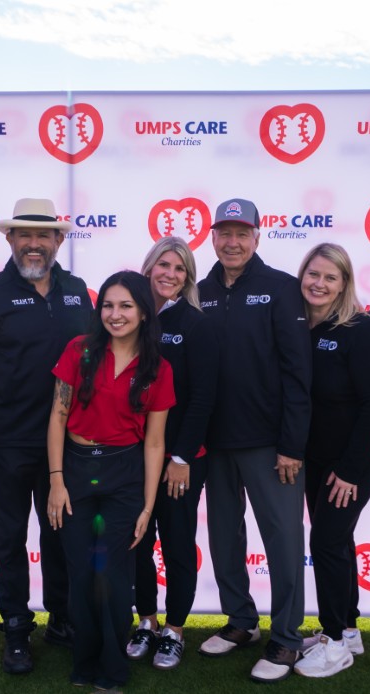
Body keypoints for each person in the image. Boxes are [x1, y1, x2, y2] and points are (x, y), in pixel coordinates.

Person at [0, 197, 92, 674]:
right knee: (11, 537)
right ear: (10, 239)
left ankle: (62, 618)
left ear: (58, 240)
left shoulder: (77, 291)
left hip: (67, 445)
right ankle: (15, 626)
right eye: (25, 235)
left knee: (62, 534)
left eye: (44, 235)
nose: (35, 244)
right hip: (8, 443)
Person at [196, 198, 312, 683]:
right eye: (224, 233)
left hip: (270, 444)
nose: (232, 242)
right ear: (212, 238)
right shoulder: (198, 290)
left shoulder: (281, 288)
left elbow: (298, 372)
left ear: (257, 237)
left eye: (241, 234)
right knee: (224, 537)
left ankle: (286, 637)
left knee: (283, 541)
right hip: (214, 443)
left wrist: (293, 445)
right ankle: (241, 620)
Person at [46, 271, 175, 694]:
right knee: (82, 571)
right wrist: (56, 481)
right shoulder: (78, 351)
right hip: (77, 469)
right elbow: (57, 418)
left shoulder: (158, 367)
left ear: (143, 312)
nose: (115, 314)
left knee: (115, 576)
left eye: (125, 306)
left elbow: (154, 443)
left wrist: (147, 506)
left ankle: (114, 666)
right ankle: (83, 661)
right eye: (107, 305)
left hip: (125, 474)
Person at [290, 243, 370, 679]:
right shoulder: (298, 326)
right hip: (317, 455)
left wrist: (350, 469)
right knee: (337, 538)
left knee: (327, 541)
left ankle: (333, 642)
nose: (319, 283)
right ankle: (348, 629)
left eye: (330, 277)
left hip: (355, 458)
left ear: (344, 283)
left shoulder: (359, 328)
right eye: (313, 274)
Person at [127, 237, 218, 670]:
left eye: (180, 268)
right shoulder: (130, 316)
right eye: (164, 264)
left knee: (178, 543)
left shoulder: (196, 324)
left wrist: (182, 458)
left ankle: (175, 630)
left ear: (187, 278)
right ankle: (146, 620)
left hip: (180, 459)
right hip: (131, 455)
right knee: (137, 542)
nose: (170, 273)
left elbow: (202, 398)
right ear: (149, 268)